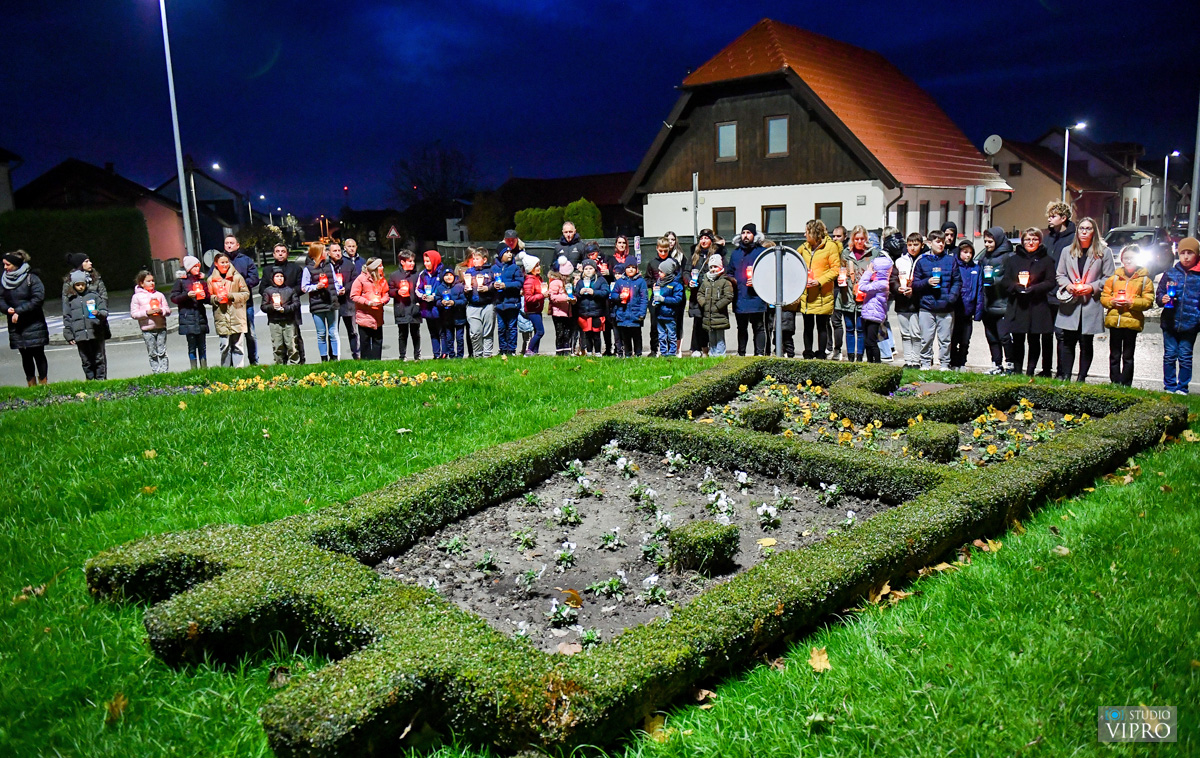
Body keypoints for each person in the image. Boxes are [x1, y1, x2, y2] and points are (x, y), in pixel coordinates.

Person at [1054, 216, 1113, 382]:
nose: (1084, 231)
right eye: (1081, 228)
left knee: (1086, 342)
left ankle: (1081, 377)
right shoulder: (1067, 251)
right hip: (1070, 303)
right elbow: (1060, 274)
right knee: (1067, 342)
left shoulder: (1103, 253)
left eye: (1088, 228)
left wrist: (1091, 287)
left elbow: (1109, 277)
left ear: (1094, 231)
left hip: (1090, 303)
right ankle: (1065, 376)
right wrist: (1067, 285)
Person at [1002, 228, 1057, 376]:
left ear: (1039, 241)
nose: (1030, 242)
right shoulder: (1013, 260)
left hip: (1037, 304)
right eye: (1027, 239)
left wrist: (1034, 288)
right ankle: (1018, 370)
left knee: (1034, 339)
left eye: (1034, 239)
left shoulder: (1046, 260)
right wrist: (1016, 287)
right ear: (1022, 241)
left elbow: (1051, 282)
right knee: (1018, 339)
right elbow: (1005, 281)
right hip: (1018, 305)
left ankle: (1031, 370)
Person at [1100, 245, 1154, 386]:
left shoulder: (1144, 280)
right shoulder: (1114, 279)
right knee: (1114, 354)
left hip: (1132, 321)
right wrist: (1112, 301)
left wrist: (1132, 302)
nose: (1128, 261)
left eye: (1132, 258)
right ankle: (1115, 381)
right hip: (1115, 320)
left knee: (1128, 355)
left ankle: (1126, 383)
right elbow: (1104, 297)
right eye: (1126, 258)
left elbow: (1148, 301)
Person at [1155, 236, 1200, 395]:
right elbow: (1159, 294)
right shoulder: (1171, 273)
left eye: (1190, 253)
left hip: (1190, 323)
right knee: (1170, 355)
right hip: (1170, 322)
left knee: (1185, 356)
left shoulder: (1198, 276)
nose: (1186, 257)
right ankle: (1170, 386)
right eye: (1183, 253)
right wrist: (1163, 299)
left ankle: (1183, 387)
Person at [912, 232, 962, 370]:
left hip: (946, 307)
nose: (941, 244)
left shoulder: (951, 260)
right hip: (927, 307)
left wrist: (951, 298)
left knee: (945, 339)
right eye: (938, 241)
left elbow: (957, 281)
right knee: (926, 338)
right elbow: (915, 284)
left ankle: (945, 364)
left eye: (942, 242)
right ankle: (926, 363)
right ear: (929, 243)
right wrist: (927, 282)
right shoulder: (922, 262)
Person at [794, 219, 840, 359]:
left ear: (814, 232)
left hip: (822, 295)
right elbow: (794, 260)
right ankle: (807, 353)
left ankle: (821, 354)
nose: (804, 234)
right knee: (807, 326)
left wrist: (819, 282)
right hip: (807, 294)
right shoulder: (805, 247)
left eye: (807, 231)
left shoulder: (830, 247)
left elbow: (835, 270)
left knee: (822, 326)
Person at [2, 251, 49, 385]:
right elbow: (0, 298)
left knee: (38, 354)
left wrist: (19, 311)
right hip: (16, 325)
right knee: (25, 355)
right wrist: (7, 309)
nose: (5, 268)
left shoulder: (32, 278)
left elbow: (38, 298)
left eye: (8, 265)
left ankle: (43, 383)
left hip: (34, 323)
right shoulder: (4, 280)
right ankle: (31, 383)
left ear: (16, 264)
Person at [1042, 201, 1077, 377]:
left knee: (1061, 334)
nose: (1049, 218)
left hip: (1063, 291)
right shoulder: (1048, 237)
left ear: (1063, 218)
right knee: (1046, 332)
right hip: (1046, 291)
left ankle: (1063, 372)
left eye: (1053, 215)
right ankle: (1046, 369)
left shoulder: (1073, 238)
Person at [833, 226, 877, 362]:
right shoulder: (846, 253)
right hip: (847, 295)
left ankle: (859, 356)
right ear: (852, 239)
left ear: (866, 239)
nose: (859, 241)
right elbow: (842, 270)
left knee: (861, 328)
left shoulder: (873, 253)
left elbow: (877, 274)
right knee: (849, 327)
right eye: (856, 239)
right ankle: (850, 356)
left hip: (864, 296)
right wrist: (842, 279)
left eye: (862, 239)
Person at [217, 234, 260, 364]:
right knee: (228, 336)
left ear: (237, 245)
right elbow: (213, 279)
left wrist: (237, 286)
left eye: (231, 243)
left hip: (245, 304)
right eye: (226, 243)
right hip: (226, 305)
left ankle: (254, 361)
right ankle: (230, 364)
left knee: (250, 334)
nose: (229, 245)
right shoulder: (219, 261)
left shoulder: (246, 260)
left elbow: (254, 279)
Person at [62, 253, 111, 366]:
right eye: (87, 261)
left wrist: (100, 314)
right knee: (86, 360)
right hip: (80, 326)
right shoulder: (69, 283)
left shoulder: (96, 279)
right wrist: (68, 331)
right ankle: (90, 381)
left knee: (100, 358)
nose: (90, 263)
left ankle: (102, 381)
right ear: (80, 264)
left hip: (96, 323)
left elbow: (104, 298)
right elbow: (66, 308)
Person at [260, 244, 306, 363]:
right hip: (274, 312)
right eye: (278, 251)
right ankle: (281, 363)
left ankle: (300, 361)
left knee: (294, 338)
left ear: (287, 253)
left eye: (283, 251)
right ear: (274, 254)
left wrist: (288, 296)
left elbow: (301, 287)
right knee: (278, 340)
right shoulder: (267, 270)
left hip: (291, 309)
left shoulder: (295, 269)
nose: (280, 254)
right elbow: (262, 288)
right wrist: (272, 298)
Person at [728, 224, 769, 356]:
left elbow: (768, 273)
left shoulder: (761, 252)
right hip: (740, 296)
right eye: (743, 232)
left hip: (756, 297)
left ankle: (759, 354)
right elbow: (730, 273)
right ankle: (741, 353)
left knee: (758, 327)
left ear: (754, 235)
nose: (745, 235)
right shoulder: (736, 253)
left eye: (748, 233)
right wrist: (733, 281)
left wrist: (757, 281)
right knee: (741, 328)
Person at [979, 227, 1014, 374]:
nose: (987, 245)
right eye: (985, 241)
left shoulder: (1008, 257)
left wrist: (996, 280)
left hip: (1002, 303)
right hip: (988, 303)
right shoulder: (984, 257)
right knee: (991, 336)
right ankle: (996, 364)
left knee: (1004, 336)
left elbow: (1011, 278)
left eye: (990, 241)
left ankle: (1010, 364)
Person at [301, 243, 341, 361]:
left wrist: (339, 289)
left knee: (333, 332)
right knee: (321, 333)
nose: (327, 253)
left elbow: (335, 281)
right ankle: (324, 358)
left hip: (331, 303)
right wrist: (316, 287)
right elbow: (304, 287)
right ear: (317, 253)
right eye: (324, 251)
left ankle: (334, 357)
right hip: (317, 304)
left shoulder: (329, 266)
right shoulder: (308, 269)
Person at [889, 233, 924, 367]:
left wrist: (914, 289)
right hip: (902, 303)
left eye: (916, 245)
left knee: (916, 333)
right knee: (905, 333)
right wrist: (898, 289)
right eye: (910, 245)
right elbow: (892, 280)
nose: (913, 248)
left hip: (917, 303)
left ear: (922, 245)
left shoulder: (924, 260)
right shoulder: (900, 261)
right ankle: (908, 361)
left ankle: (916, 360)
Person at [208, 253, 249, 368]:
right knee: (224, 345)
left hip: (237, 315)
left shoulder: (237, 277)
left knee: (238, 345)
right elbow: (209, 297)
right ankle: (226, 370)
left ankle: (239, 369)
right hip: (221, 315)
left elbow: (246, 294)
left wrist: (231, 296)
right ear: (216, 264)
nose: (225, 264)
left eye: (227, 262)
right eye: (222, 262)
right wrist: (216, 298)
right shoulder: (211, 280)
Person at [171, 254, 211, 369]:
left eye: (198, 266)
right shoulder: (181, 282)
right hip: (188, 317)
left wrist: (205, 296)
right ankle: (194, 369)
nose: (197, 269)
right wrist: (187, 295)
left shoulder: (201, 281)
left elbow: (208, 298)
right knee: (192, 346)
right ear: (188, 268)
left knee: (202, 346)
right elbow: (174, 297)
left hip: (200, 317)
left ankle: (204, 368)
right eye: (194, 267)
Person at [949, 241, 984, 371]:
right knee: (954, 338)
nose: (968, 255)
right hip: (956, 309)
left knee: (965, 340)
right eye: (965, 252)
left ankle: (962, 362)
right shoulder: (955, 266)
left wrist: (978, 311)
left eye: (970, 252)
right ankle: (953, 362)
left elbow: (979, 290)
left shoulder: (976, 268)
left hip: (968, 310)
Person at [688, 231, 724, 356]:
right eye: (701, 238)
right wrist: (689, 281)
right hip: (697, 294)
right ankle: (697, 348)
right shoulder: (694, 255)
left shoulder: (717, 254)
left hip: (711, 294)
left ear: (711, 240)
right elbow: (687, 271)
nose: (703, 241)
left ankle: (713, 348)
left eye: (706, 238)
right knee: (698, 321)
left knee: (711, 321)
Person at [131, 270, 171, 374]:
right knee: (152, 352)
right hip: (147, 329)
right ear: (141, 283)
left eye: (153, 281)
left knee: (162, 351)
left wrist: (162, 311)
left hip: (160, 327)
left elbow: (167, 310)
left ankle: (164, 372)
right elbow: (134, 314)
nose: (152, 283)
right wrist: (146, 313)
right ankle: (156, 372)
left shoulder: (159, 295)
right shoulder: (137, 297)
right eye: (148, 281)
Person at [350, 257, 390, 360]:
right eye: (380, 266)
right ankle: (366, 364)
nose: (382, 267)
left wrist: (382, 301)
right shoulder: (361, 279)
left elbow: (385, 294)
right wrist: (367, 302)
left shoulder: (382, 279)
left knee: (378, 341)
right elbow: (354, 295)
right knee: (365, 342)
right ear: (374, 267)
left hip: (377, 318)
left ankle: (377, 363)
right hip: (365, 317)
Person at [858, 253, 893, 363]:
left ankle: (877, 364)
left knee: (871, 342)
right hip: (870, 314)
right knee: (868, 342)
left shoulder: (881, 284)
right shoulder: (880, 282)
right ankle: (870, 363)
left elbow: (862, 286)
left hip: (874, 315)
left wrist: (868, 272)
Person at [330, 241, 362, 360]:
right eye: (335, 251)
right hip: (333, 302)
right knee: (333, 331)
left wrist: (345, 288)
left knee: (353, 331)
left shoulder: (349, 265)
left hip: (347, 302)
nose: (338, 253)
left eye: (338, 251)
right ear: (329, 253)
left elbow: (355, 280)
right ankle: (333, 357)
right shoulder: (327, 266)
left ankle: (356, 355)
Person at [696, 253, 733, 357]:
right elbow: (700, 294)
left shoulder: (724, 281)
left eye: (715, 266)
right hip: (708, 315)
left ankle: (720, 354)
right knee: (711, 336)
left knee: (719, 337)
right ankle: (712, 354)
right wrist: (704, 304)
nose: (713, 269)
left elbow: (728, 296)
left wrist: (717, 306)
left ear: (721, 267)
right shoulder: (706, 281)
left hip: (719, 315)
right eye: (711, 267)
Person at [388, 250, 422, 361]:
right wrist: (397, 292)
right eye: (409, 261)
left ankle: (417, 355)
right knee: (402, 333)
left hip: (414, 308)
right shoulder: (394, 276)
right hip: (401, 307)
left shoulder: (416, 275)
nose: (412, 263)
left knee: (415, 333)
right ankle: (402, 356)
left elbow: (421, 289)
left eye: (413, 261)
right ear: (402, 262)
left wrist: (419, 302)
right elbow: (390, 290)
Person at [610, 259, 648, 357]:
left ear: (637, 269)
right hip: (623, 314)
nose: (631, 270)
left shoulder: (641, 282)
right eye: (628, 267)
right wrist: (619, 297)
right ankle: (627, 354)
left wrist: (642, 313)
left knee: (636, 336)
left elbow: (644, 298)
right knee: (625, 337)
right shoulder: (620, 282)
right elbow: (613, 294)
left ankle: (638, 353)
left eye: (633, 267)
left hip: (636, 314)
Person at [262, 267, 300, 364]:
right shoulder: (268, 291)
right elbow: (263, 306)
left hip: (289, 321)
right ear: (272, 278)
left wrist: (285, 309)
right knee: (278, 345)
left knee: (292, 344)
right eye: (277, 276)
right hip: (274, 322)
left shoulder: (290, 290)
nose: (279, 278)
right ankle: (279, 364)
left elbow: (296, 304)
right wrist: (272, 307)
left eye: (281, 276)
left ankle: (294, 364)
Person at [643, 237, 674, 357]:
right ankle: (654, 349)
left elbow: (677, 278)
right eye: (660, 251)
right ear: (657, 249)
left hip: (668, 298)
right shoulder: (652, 263)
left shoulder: (672, 262)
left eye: (665, 251)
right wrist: (653, 284)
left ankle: (669, 350)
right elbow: (647, 279)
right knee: (654, 324)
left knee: (669, 325)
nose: (663, 253)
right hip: (655, 298)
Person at [491, 245, 523, 356]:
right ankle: (503, 349)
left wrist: (506, 285)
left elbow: (519, 283)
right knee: (501, 328)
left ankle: (511, 350)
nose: (509, 254)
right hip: (500, 303)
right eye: (506, 252)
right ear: (500, 255)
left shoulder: (515, 268)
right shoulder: (494, 269)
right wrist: (493, 285)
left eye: (510, 252)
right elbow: (489, 282)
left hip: (512, 302)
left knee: (512, 327)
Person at [574, 260, 609, 356]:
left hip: (597, 312)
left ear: (595, 269)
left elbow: (605, 292)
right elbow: (575, 295)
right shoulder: (580, 282)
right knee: (587, 333)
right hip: (584, 312)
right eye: (586, 269)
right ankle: (589, 351)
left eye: (591, 268)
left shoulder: (601, 280)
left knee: (596, 334)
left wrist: (594, 292)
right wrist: (579, 293)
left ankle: (597, 352)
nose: (588, 271)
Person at [652, 257, 684, 358]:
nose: (659, 273)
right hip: (659, 314)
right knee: (661, 335)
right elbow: (655, 296)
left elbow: (677, 299)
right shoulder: (658, 283)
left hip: (670, 315)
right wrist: (654, 301)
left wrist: (663, 299)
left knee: (671, 335)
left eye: (661, 271)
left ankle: (672, 352)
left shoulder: (676, 285)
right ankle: (663, 352)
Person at [827, 225, 848, 359]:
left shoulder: (846, 251)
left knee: (838, 321)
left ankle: (838, 349)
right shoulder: (831, 249)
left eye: (838, 236)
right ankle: (830, 346)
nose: (835, 239)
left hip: (842, 288)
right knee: (829, 319)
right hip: (831, 288)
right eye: (833, 236)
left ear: (845, 237)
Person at [549, 261, 576, 356]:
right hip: (558, 312)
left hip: (567, 312)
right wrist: (565, 298)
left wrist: (573, 299)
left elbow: (571, 294)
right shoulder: (556, 282)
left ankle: (567, 350)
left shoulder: (568, 283)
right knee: (560, 333)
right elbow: (552, 297)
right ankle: (559, 351)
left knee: (567, 332)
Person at [521, 256, 546, 356]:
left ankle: (535, 351)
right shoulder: (530, 281)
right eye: (536, 266)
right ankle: (529, 350)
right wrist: (542, 295)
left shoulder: (538, 278)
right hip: (532, 310)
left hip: (537, 309)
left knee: (537, 330)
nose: (539, 267)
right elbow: (528, 299)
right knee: (540, 331)